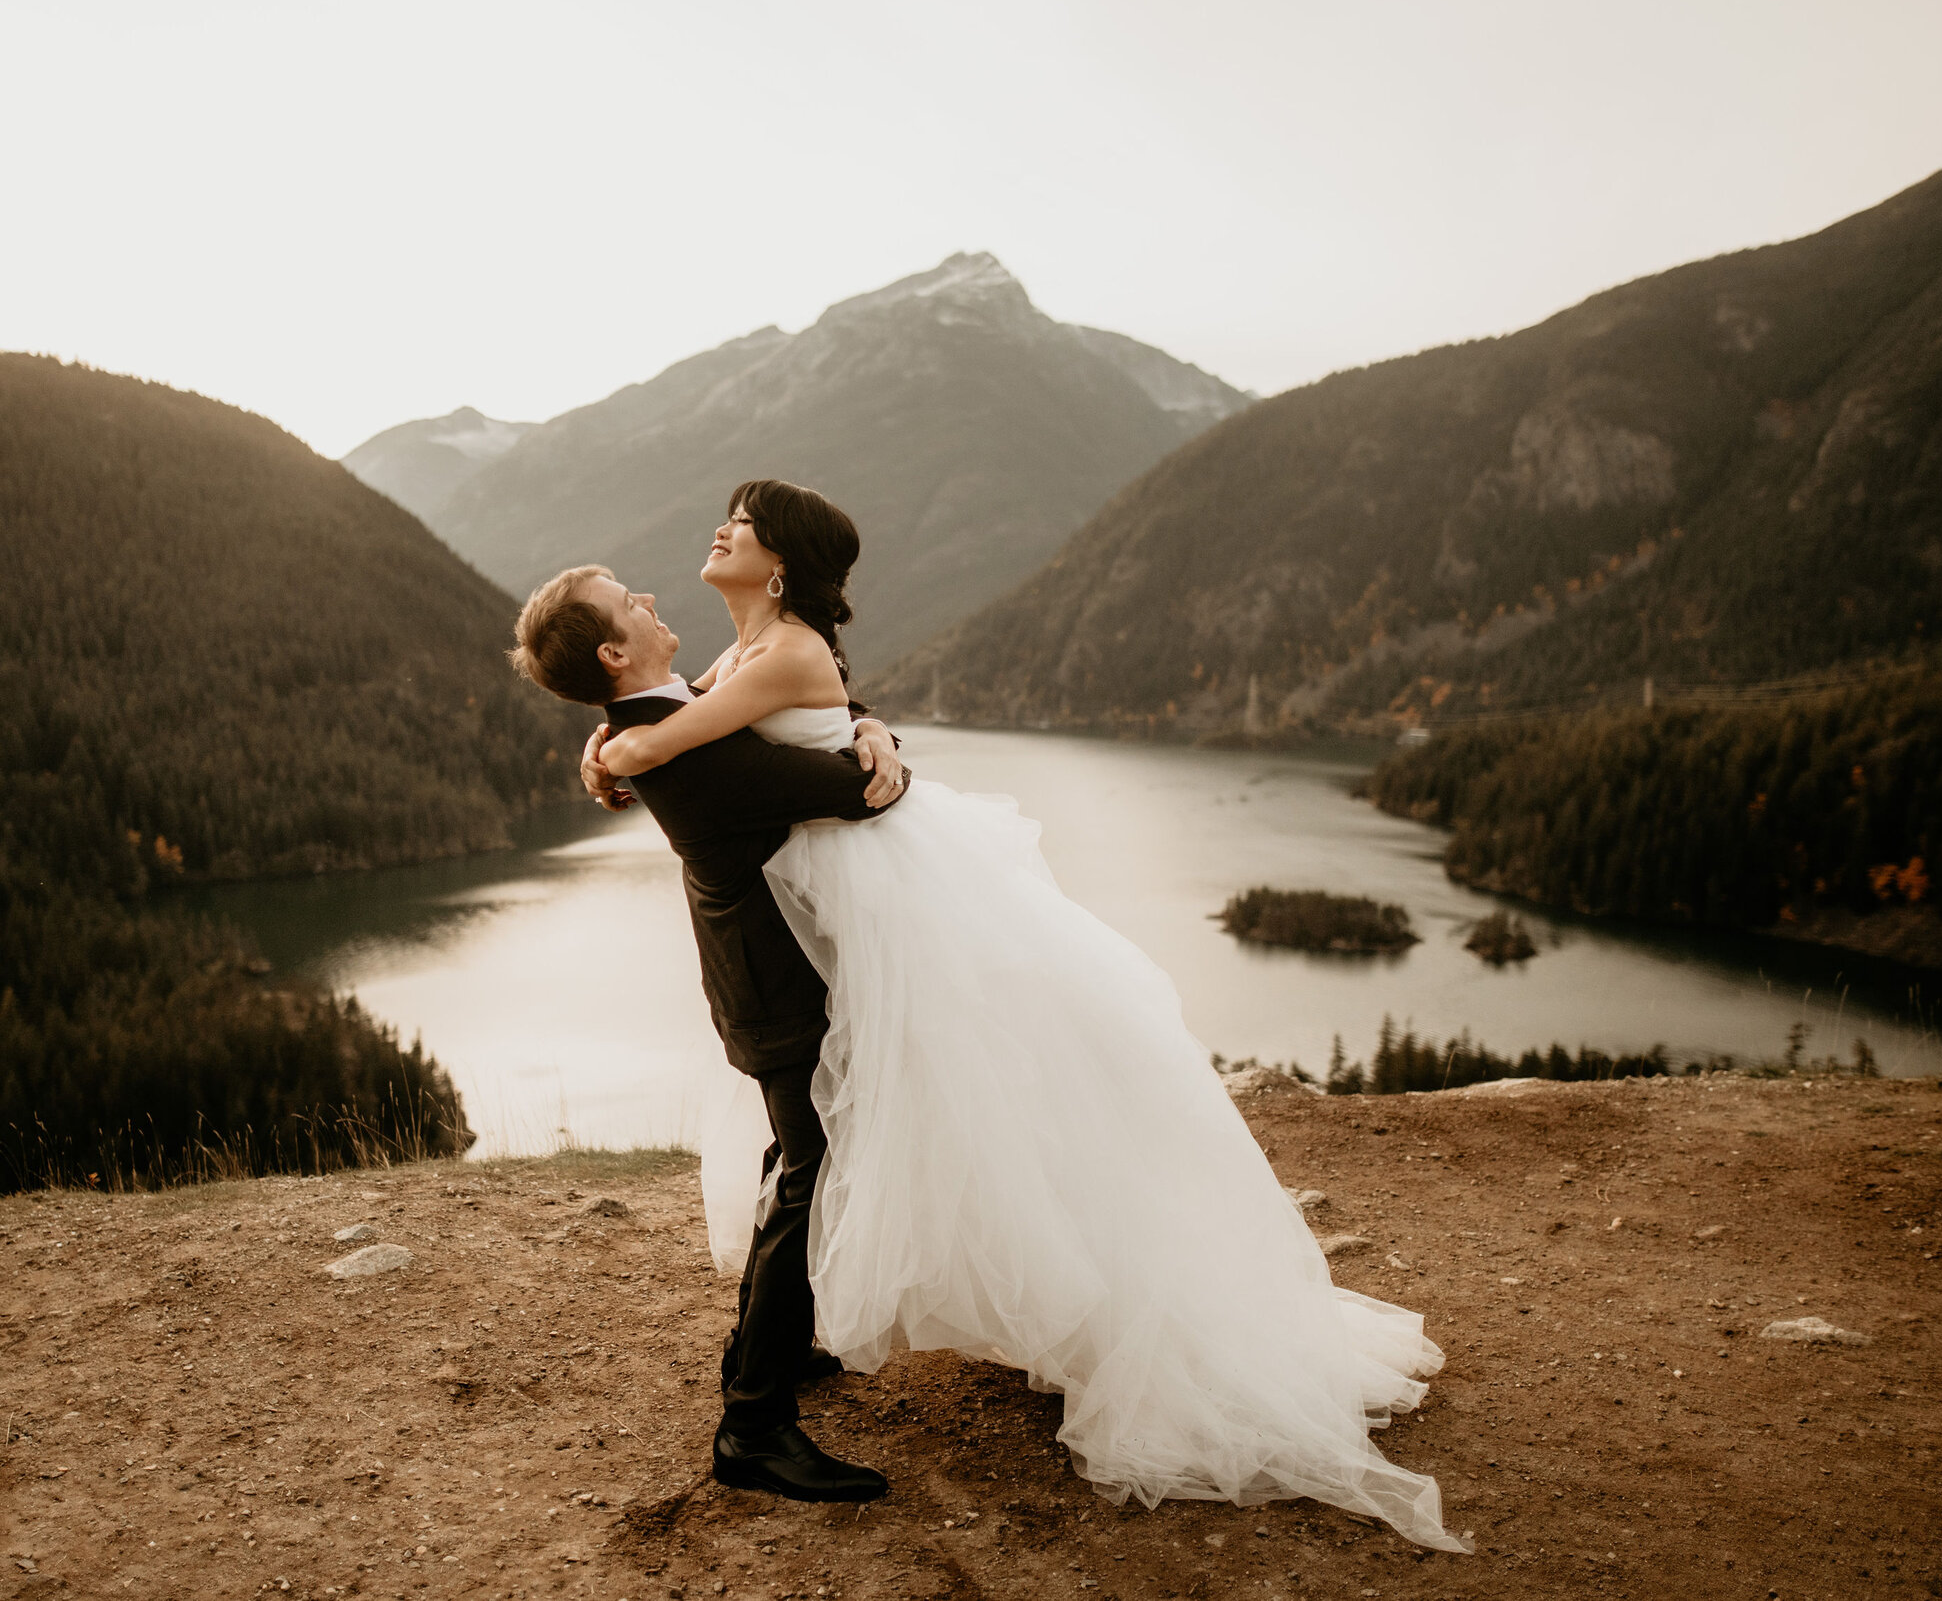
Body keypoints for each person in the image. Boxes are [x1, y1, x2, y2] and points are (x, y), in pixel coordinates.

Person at [556, 478, 1472, 1552]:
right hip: (828, 942)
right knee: (833, 1142)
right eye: (636, 595)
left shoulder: (763, 657)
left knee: (873, 1134)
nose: (713, 538)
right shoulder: (728, 663)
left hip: (870, 927)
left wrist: (625, 748)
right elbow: (761, 748)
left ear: (782, 563)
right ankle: (768, 1393)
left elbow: (760, 751)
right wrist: (635, 743)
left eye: (742, 526)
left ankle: (786, 1381)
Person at [506, 553, 906, 1504]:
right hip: (777, 993)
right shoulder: (683, 745)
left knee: (797, 1158)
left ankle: (766, 1350)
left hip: (758, 981)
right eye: (628, 604)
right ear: (614, 648)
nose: (649, 600)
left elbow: (817, 719)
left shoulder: (660, 720)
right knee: (810, 1171)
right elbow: (854, 790)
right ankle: (754, 1423)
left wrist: (867, 720)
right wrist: (880, 745)